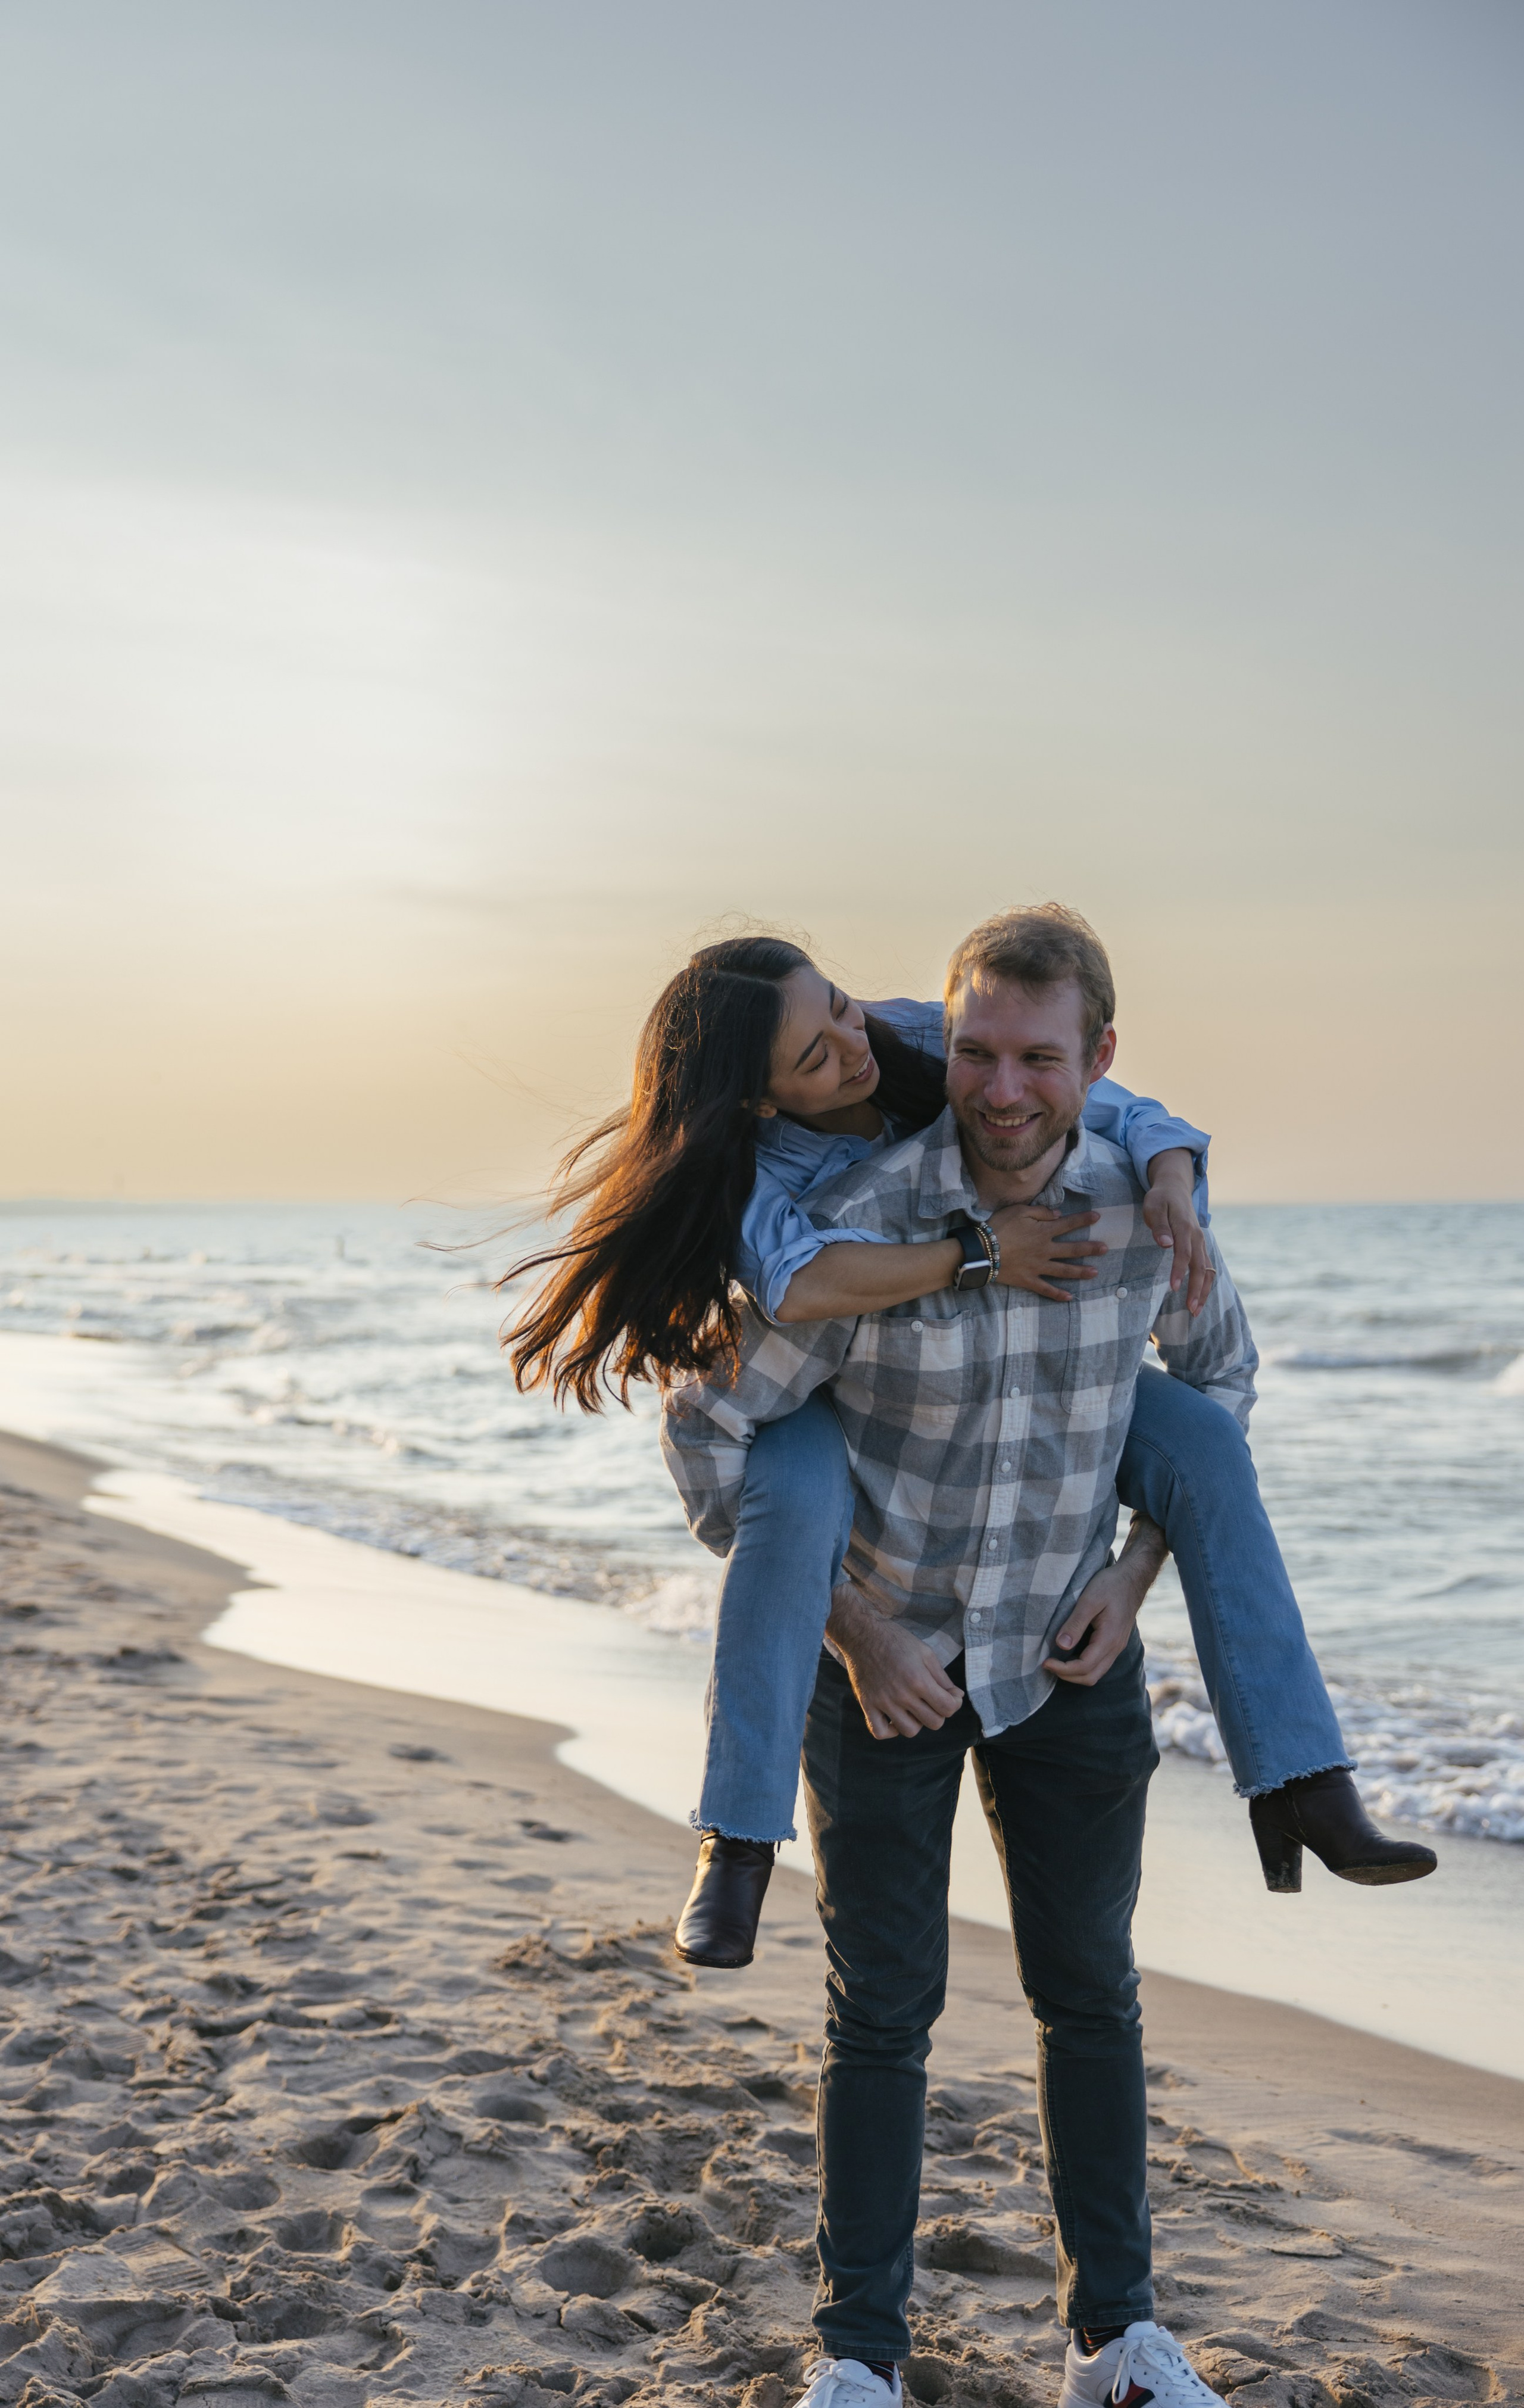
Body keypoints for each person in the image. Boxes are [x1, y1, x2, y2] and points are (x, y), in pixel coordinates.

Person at [658, 906, 1431, 2408]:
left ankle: (1114, 2346)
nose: (1003, 1089)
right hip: (884, 1667)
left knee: (1091, 1993)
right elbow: (710, 1426)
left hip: (1067, 1662)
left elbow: (1220, 1384)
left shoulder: (1153, 1213)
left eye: (1036, 1057)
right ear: (939, 1047)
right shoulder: (868, 1216)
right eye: (975, 1052)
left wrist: (1135, 1581)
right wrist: (854, 1626)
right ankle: (859, 2364)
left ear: (1098, 1061)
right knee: (881, 2013)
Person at [504, 927, 1431, 1969]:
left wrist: (1172, 1165)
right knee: (797, 1501)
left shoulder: (925, 1040)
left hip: (1046, 1559)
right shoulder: (775, 1182)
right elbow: (796, 1296)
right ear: (762, 1100)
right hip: (837, 1399)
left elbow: (1093, 1088)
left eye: (842, 1009)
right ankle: (739, 1837)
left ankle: (1304, 1779)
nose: (854, 1048)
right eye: (815, 1056)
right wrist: (980, 1255)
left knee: (1207, 1441)